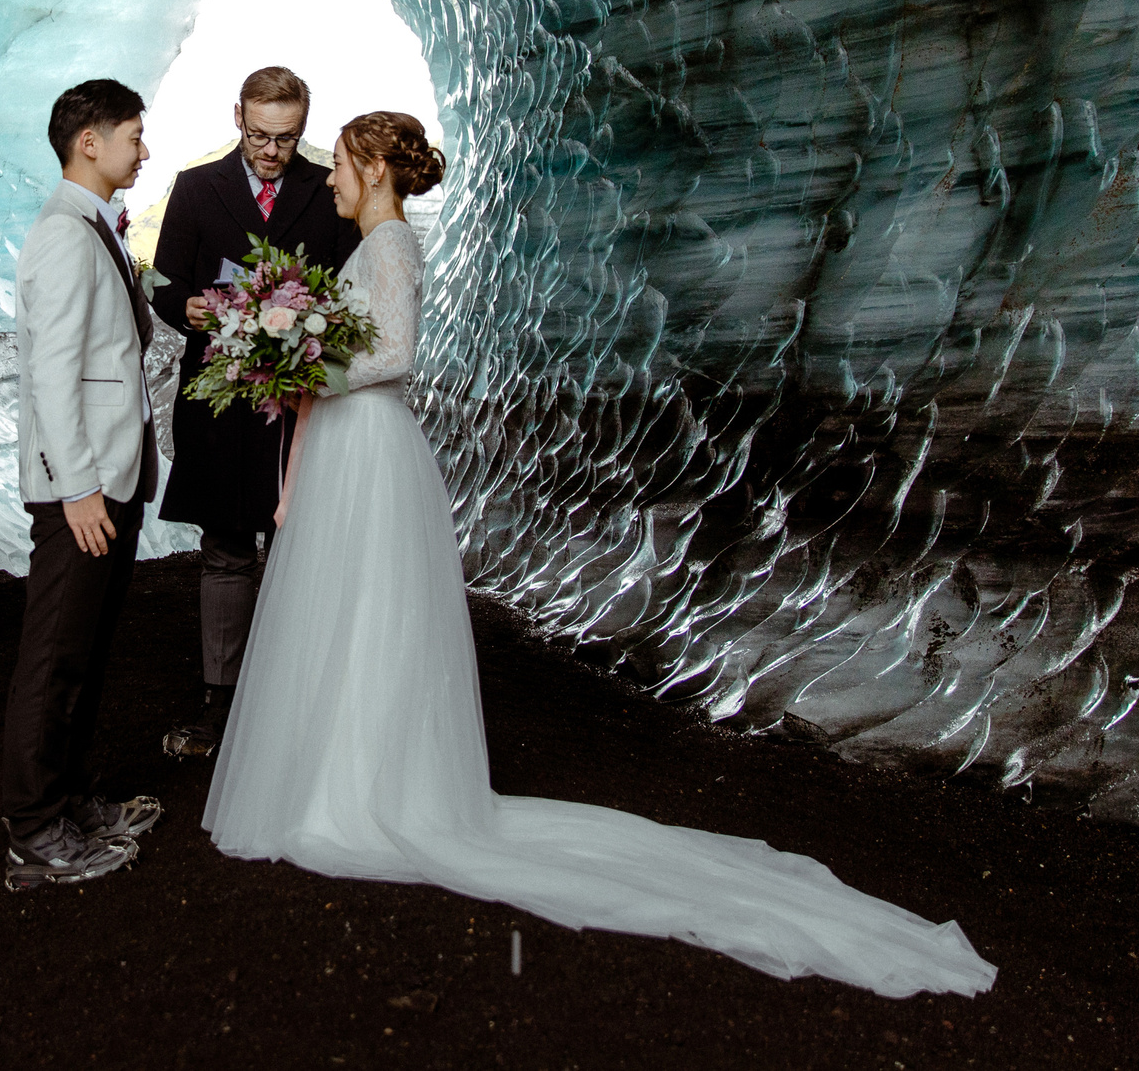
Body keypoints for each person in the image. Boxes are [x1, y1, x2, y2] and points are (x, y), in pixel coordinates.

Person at [202, 112, 998, 997]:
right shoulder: (373, 241)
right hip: (354, 443)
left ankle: (358, 788)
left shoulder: (389, 245)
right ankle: (336, 772)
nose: (332, 179)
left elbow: (394, 354)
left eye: (344, 165)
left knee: (365, 611)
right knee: (346, 611)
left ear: (377, 169)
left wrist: (305, 362)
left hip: (372, 440)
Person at [146, 66, 359, 759]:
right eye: (261, 135)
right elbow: (166, 283)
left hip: (303, 404)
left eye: (287, 138)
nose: (272, 152)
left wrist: (318, 330)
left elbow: (352, 295)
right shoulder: (194, 186)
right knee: (226, 550)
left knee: (300, 551)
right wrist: (188, 307)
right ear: (236, 114)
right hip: (219, 400)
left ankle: (299, 706)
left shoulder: (326, 190)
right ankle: (219, 704)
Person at [0, 79, 167, 891]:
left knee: (87, 652)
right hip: (85, 487)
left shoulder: (95, 225)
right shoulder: (66, 236)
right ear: (89, 142)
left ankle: (67, 803)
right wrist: (77, 489)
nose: (145, 148)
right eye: (135, 135)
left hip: (108, 475)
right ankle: (34, 832)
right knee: (55, 658)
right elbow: (52, 375)